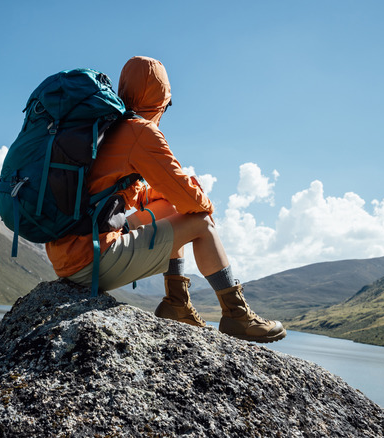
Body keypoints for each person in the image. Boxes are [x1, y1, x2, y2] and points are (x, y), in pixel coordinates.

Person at [45, 56, 286, 343]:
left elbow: (124, 194)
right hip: (90, 259)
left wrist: (173, 196)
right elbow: (189, 200)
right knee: (201, 222)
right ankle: (236, 315)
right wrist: (206, 206)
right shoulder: (140, 132)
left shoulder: (107, 126)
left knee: (173, 207)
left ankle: (177, 304)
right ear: (160, 100)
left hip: (69, 251)